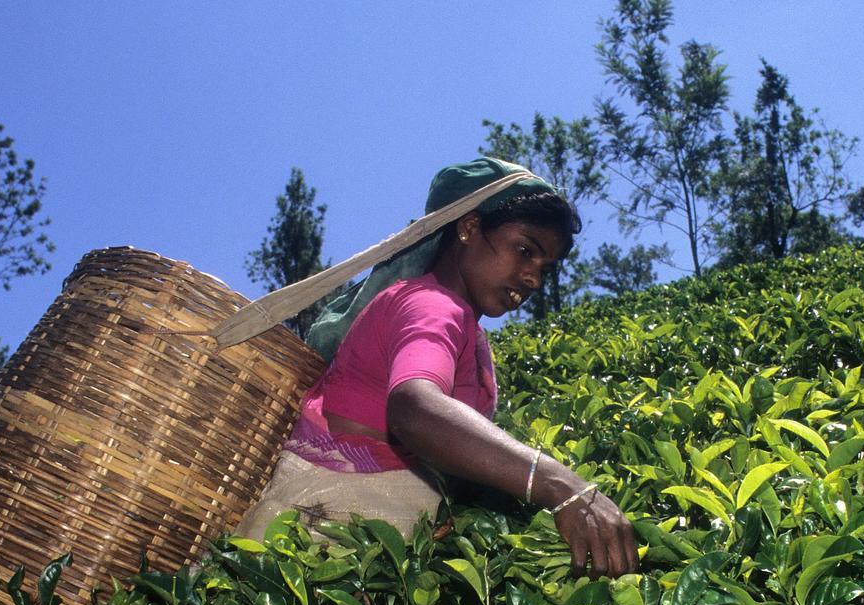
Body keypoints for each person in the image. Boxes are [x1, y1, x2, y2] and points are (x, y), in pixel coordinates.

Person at [235, 158, 638, 579]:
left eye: (544, 267)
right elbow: (414, 408)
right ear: (468, 228)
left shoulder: (458, 323)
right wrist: (560, 483)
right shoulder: (432, 306)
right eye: (524, 250)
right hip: (323, 536)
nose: (533, 278)